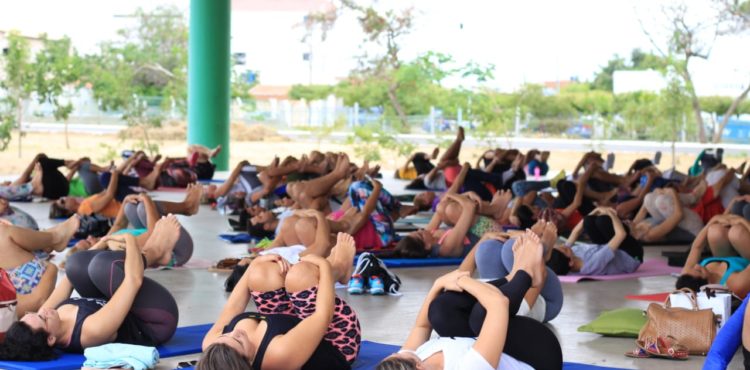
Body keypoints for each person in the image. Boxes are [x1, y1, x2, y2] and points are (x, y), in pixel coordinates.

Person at [377, 230, 562, 370]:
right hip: (539, 355)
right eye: (395, 355)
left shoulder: (413, 360)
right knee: (481, 316)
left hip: (494, 339)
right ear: (418, 367)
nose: (397, 351)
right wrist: (460, 280)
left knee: (440, 310)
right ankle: (525, 273)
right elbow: (498, 305)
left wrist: (438, 285)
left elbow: (422, 326)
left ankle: (518, 276)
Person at [0, 233, 179, 360]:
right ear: (51, 339)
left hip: (127, 308)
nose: (44, 310)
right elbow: (133, 280)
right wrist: (130, 239)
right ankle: (156, 252)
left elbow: (72, 273)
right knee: (101, 266)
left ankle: (154, 252)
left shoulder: (48, 319)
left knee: (74, 264)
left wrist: (103, 242)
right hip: (153, 321)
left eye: (34, 313)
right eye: (41, 317)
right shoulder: (90, 331)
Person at [197, 233, 361, 370]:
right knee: (301, 275)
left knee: (261, 273)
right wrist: (325, 266)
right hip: (334, 338)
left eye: (227, 334)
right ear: (248, 363)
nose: (235, 332)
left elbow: (232, 307)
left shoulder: (213, 346)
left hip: (291, 324)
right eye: (238, 340)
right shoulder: (278, 354)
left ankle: (329, 269)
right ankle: (339, 267)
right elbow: (323, 316)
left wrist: (254, 264)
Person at [0, 216, 79, 317]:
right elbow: (37, 301)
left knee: (2, 234)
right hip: (23, 300)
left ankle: (50, 238)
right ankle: (51, 239)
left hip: (13, 288)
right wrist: (49, 268)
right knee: (2, 235)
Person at [394, 192, 502, 258]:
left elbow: (442, 204)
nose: (420, 230)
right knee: (451, 209)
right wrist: (454, 195)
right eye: (419, 234)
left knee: (441, 207)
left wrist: (465, 194)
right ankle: (495, 209)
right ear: (426, 246)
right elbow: (469, 207)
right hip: (491, 234)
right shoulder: (446, 247)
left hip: (477, 229)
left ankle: (494, 210)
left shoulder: (429, 236)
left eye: (416, 230)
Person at [548, 207, 643, 276]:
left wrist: (596, 210)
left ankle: (604, 217)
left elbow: (576, 232)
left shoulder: (568, 257)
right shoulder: (591, 264)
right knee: (603, 221)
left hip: (612, 248)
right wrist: (611, 214)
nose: (563, 246)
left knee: (588, 221)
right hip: (631, 255)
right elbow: (621, 235)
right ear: (571, 262)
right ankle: (633, 231)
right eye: (564, 250)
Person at [675, 213, 750, 298]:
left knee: (714, 230)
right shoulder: (736, 284)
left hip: (731, 255)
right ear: (708, 285)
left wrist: (713, 220)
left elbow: (696, 247)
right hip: (746, 257)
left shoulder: (688, 274)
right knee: (737, 232)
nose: (696, 266)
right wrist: (743, 222)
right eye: (699, 271)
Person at [0, 154, 74, 201]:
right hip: (56, 190)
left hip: (60, 190)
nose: (6, 181)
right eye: (3, 182)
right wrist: (36, 161)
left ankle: (66, 163)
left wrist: (74, 169)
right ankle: (66, 162)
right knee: (41, 160)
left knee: (42, 160)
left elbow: (66, 181)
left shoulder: (20, 189)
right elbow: (25, 174)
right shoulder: (11, 187)